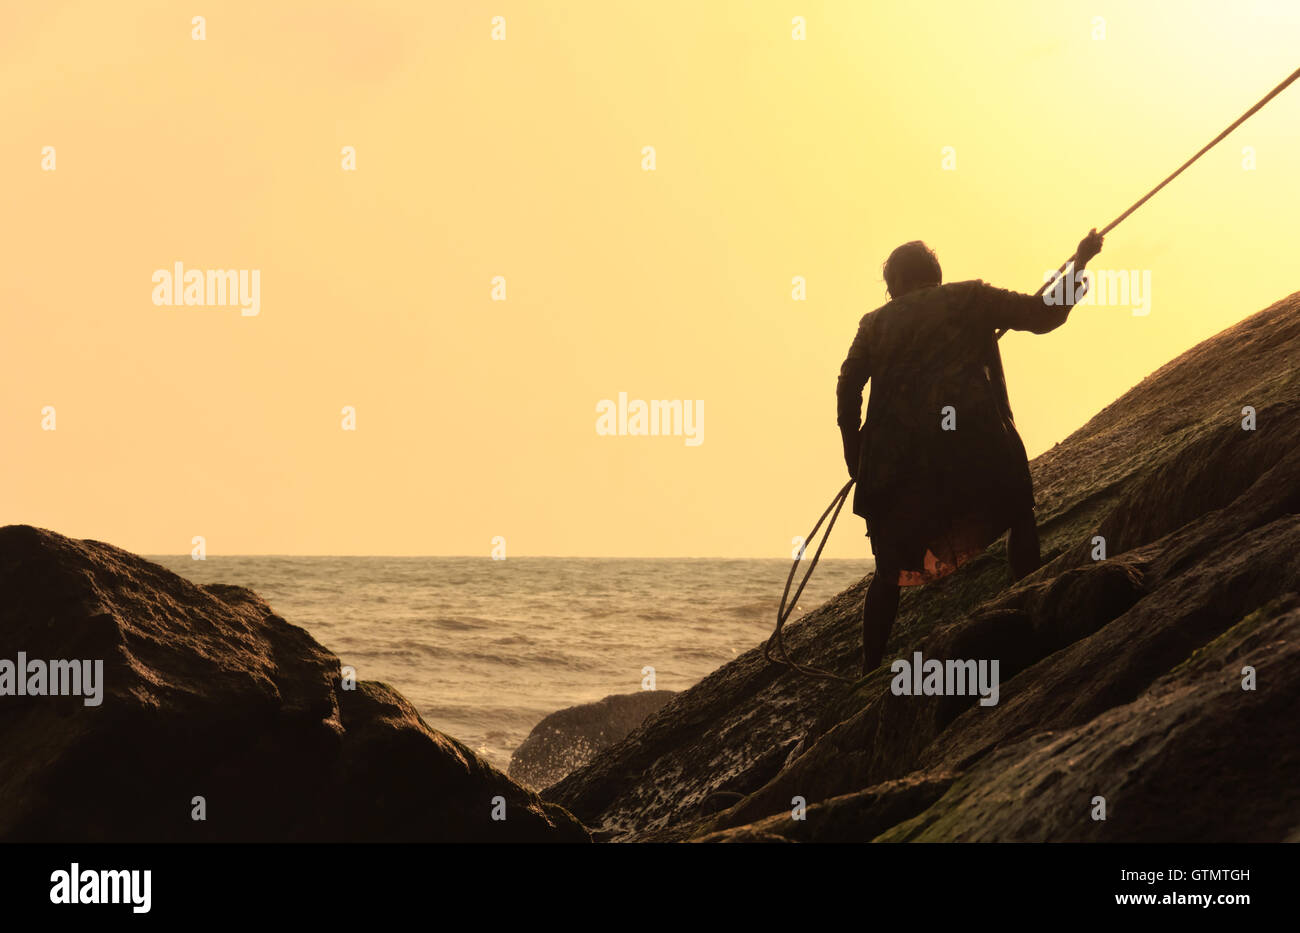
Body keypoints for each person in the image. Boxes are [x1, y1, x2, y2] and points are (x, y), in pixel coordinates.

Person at [836, 230, 1104, 674]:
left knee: (888, 567)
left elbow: (848, 387)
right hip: (974, 441)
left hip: (897, 460)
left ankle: (868, 669)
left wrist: (855, 450)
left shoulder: (874, 323)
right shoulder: (970, 298)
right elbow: (1043, 314)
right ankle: (1028, 607)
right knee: (1019, 515)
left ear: (895, 284)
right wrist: (1079, 262)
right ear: (935, 277)